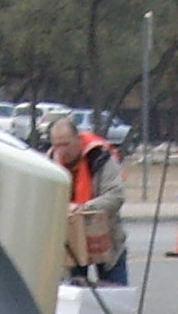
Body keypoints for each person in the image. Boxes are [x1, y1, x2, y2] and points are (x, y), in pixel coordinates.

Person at [48, 113, 129, 290]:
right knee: (72, 299)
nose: (62, 150)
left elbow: (115, 195)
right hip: (71, 245)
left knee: (116, 297)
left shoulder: (100, 157)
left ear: (78, 139)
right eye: (57, 145)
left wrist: (83, 209)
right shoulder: (50, 163)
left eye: (66, 144)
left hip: (106, 239)